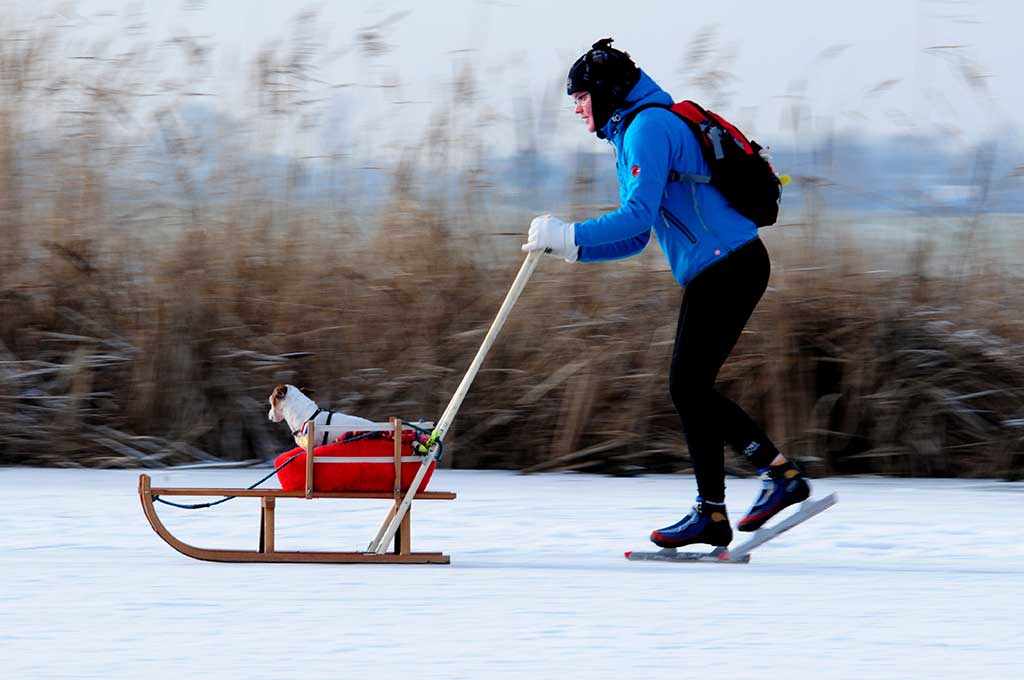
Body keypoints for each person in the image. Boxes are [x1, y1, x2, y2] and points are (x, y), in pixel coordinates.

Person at [522, 38, 810, 549]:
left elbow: (634, 218)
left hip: (730, 265)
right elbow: (636, 237)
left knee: (688, 387)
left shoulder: (648, 127)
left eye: (582, 96)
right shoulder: (635, 130)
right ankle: (730, 504)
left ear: (609, 93)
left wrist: (568, 233)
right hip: (722, 268)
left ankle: (757, 490)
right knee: (690, 386)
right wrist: (571, 251)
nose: (577, 108)